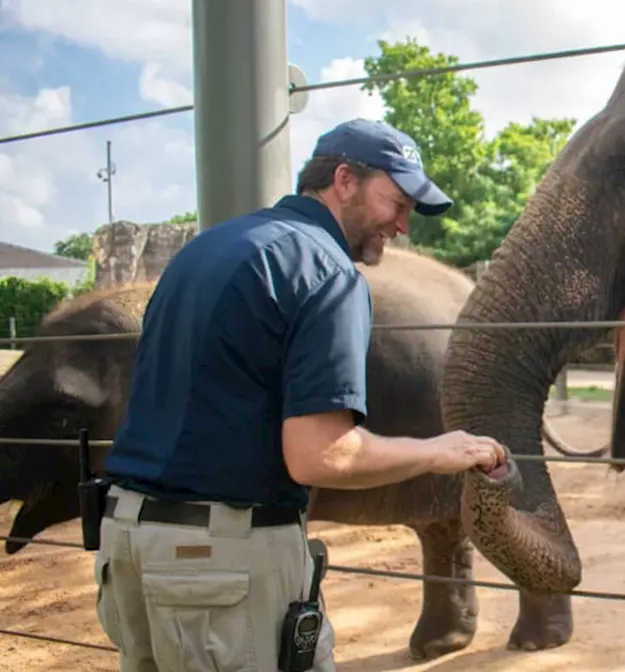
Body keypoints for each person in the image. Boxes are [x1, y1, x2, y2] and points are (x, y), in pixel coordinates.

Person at [91, 118, 507, 671]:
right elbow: (321, 454)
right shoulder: (325, 272)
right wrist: (439, 451)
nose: (403, 225)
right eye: (397, 202)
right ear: (344, 179)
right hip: (220, 565)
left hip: (127, 548)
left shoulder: (205, 251)